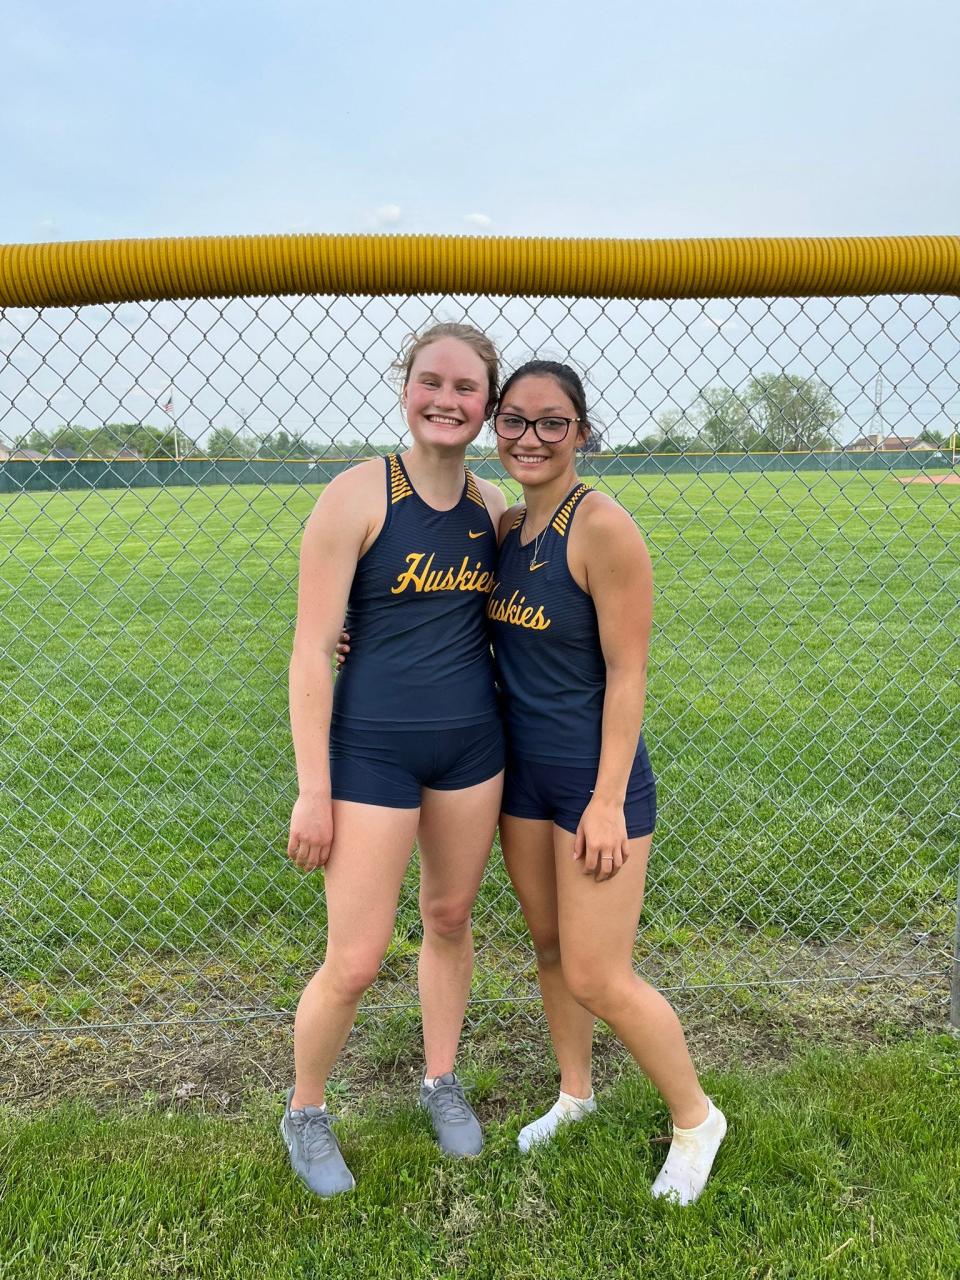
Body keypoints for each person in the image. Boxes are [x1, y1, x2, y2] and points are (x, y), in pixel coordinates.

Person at [488, 359, 727, 1205]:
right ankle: (576, 1093)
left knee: (599, 972)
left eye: (553, 422)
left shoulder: (603, 529)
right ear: (495, 427)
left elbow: (629, 674)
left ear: (581, 432)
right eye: (514, 420)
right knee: (551, 950)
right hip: (523, 784)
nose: (531, 437)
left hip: (598, 788)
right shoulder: (509, 527)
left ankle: (696, 1119)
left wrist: (603, 799)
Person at [282, 323, 506, 1196]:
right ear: (404, 387)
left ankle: (440, 1081)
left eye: (465, 387)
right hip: (371, 750)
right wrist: (313, 787)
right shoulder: (354, 496)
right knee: (358, 956)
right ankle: (305, 1110)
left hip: (471, 749)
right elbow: (309, 650)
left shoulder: (493, 511)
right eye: (431, 382)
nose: (446, 400)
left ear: (487, 403)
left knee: (450, 919)